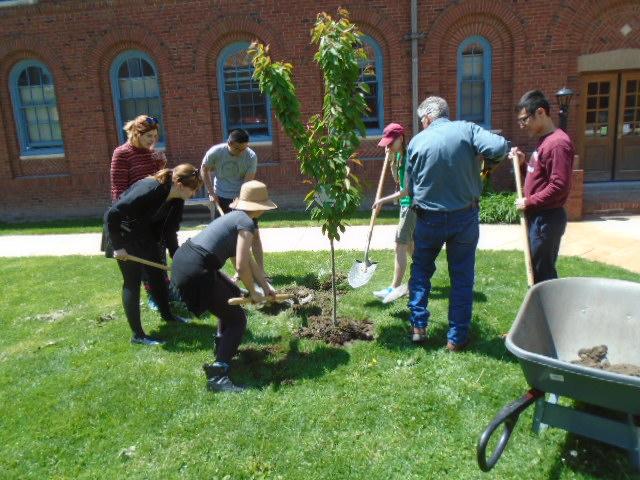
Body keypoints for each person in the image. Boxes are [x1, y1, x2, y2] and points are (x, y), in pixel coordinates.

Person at [406, 96, 509, 350]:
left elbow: (409, 187)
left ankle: (419, 326)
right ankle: (456, 338)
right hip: (464, 217)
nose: (422, 125)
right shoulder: (467, 129)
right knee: (462, 278)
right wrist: (489, 164)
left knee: (420, 271)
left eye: (422, 121)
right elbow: (499, 147)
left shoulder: (416, 142)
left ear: (428, 118)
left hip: (427, 218)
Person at [171, 180, 278, 393]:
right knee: (237, 319)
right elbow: (240, 265)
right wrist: (255, 293)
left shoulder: (235, 218)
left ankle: (222, 347)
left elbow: (248, 261)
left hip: (187, 260)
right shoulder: (246, 223)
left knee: (231, 292)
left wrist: (265, 287)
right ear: (258, 207)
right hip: (196, 269)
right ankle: (218, 376)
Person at [106, 164, 202, 346]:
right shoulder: (151, 188)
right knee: (132, 281)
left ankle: (168, 316)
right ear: (180, 184)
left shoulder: (177, 200)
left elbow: (170, 231)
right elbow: (114, 214)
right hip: (122, 234)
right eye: (193, 189)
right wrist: (118, 247)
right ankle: (138, 335)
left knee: (157, 276)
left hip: (144, 235)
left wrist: (178, 258)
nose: (194, 194)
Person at [106, 114, 172, 311]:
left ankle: (164, 293)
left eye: (155, 136)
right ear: (136, 133)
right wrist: (126, 219)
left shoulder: (152, 154)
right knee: (143, 261)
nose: (153, 141)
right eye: (148, 137)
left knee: (159, 256)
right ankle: (153, 295)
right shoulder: (122, 153)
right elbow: (118, 190)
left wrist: (162, 165)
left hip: (153, 215)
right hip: (133, 217)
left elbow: (157, 183)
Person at [511, 90, 575, 283]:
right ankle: (540, 311)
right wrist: (522, 164)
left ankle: (548, 311)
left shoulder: (557, 144)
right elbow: (540, 179)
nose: (522, 126)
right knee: (537, 271)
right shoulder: (545, 142)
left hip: (546, 219)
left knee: (543, 275)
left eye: (524, 120)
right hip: (539, 218)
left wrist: (529, 201)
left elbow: (559, 186)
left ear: (540, 112)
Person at [201, 128, 266, 276]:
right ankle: (240, 271)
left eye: (244, 148)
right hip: (221, 197)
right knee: (230, 238)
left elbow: (248, 181)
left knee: (254, 233)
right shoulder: (216, 152)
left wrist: (241, 199)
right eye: (237, 149)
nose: (241, 152)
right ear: (229, 143)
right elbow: (204, 169)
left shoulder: (250, 156)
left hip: (243, 199)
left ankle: (261, 271)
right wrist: (211, 192)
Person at [371, 123, 415, 304]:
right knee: (411, 245)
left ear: (401, 138)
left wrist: (381, 201)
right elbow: (398, 180)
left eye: (390, 143)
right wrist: (390, 159)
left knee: (400, 244)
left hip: (411, 205)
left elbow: (406, 191)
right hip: (407, 205)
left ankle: (394, 287)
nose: (388, 146)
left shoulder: (409, 157)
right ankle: (425, 270)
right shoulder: (399, 157)